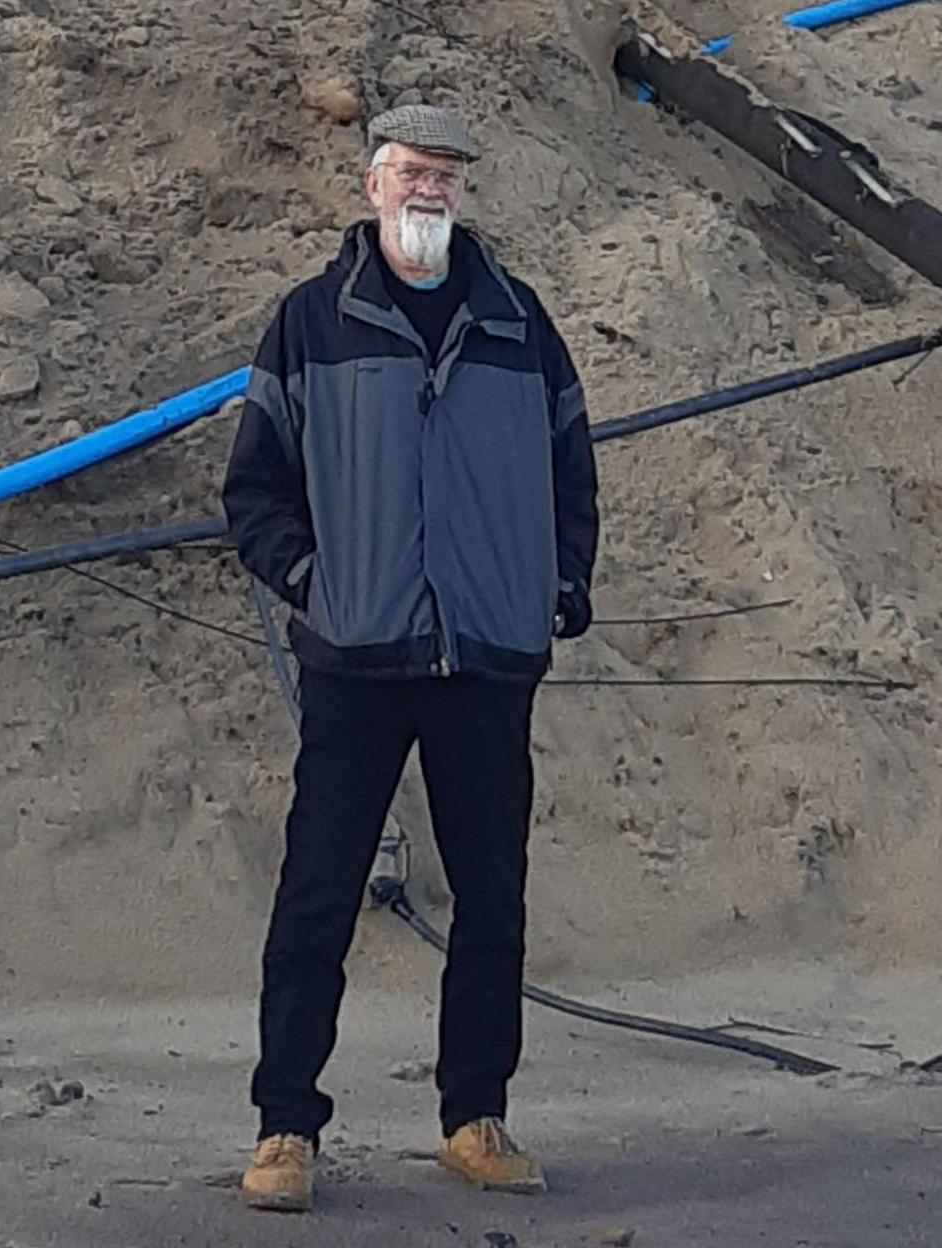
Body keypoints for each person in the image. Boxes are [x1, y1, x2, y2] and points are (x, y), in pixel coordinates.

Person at [223, 102, 598, 1214]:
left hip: (486, 658)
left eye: (445, 175)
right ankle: (285, 1125)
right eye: (409, 172)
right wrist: (316, 589)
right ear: (371, 185)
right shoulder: (310, 324)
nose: (428, 190)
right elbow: (254, 489)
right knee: (315, 895)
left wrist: (556, 591)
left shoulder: (519, 323)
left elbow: (571, 470)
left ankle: (474, 1118)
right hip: (357, 659)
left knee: (493, 898)